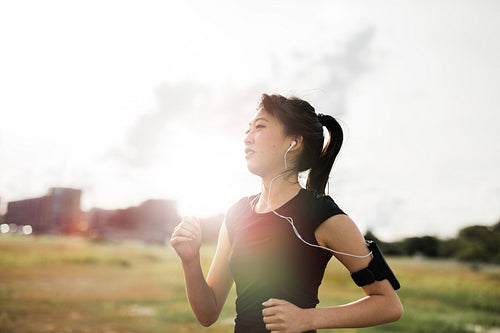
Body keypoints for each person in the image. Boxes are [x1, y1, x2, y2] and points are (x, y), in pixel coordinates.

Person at [170, 93, 403, 333]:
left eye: (259, 127)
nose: (247, 137)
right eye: (247, 129)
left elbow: (388, 304)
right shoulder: (236, 213)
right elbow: (208, 314)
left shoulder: (323, 214)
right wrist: (190, 260)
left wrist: (308, 319)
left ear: (293, 142)